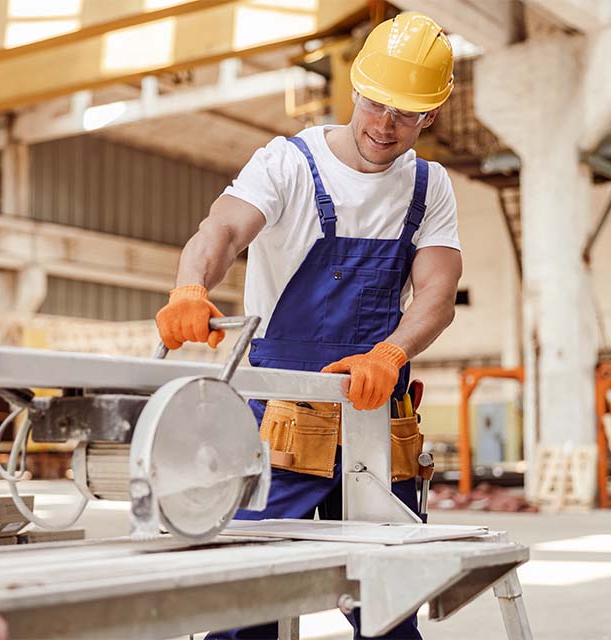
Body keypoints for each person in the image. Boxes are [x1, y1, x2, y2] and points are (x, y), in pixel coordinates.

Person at [156, 12, 462, 640]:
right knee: (249, 602)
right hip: (281, 420)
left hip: (376, 414)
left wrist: (391, 353)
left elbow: (437, 292)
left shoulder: (429, 185)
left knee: (387, 602)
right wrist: (192, 285)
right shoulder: (288, 163)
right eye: (376, 103)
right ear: (355, 87)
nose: (384, 125)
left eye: (406, 114)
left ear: (430, 116)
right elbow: (222, 230)